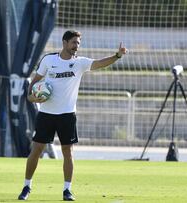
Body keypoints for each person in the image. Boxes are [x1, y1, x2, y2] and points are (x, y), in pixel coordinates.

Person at [17, 30, 128, 201]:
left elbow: (100, 63)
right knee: (36, 150)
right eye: (74, 43)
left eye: (78, 43)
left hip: (67, 115)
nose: (76, 46)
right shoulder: (49, 60)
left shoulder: (80, 63)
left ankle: (67, 190)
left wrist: (117, 56)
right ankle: (26, 186)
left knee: (67, 152)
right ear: (64, 42)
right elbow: (33, 84)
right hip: (46, 113)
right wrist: (31, 96)